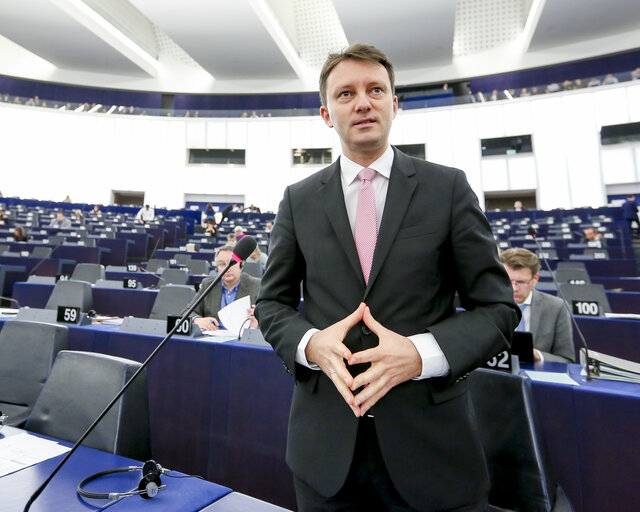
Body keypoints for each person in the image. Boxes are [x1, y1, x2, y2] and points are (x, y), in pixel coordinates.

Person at [255, 43, 518, 511]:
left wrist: (420, 354)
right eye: (346, 94)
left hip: (432, 450)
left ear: (395, 104)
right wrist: (310, 343)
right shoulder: (297, 200)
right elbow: (272, 304)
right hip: (325, 454)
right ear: (325, 113)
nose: (362, 102)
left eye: (376, 89)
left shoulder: (448, 188)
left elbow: (497, 309)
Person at [500, 248, 575, 363]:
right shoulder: (488, 304)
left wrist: (538, 355)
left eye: (521, 282)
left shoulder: (556, 307)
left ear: (535, 279)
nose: (514, 288)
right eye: (508, 281)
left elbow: (567, 359)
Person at [191, 245, 260, 332]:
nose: (227, 268)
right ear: (217, 268)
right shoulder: (208, 285)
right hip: (213, 339)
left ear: (241, 265)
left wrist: (258, 316)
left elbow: (271, 316)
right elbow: (188, 312)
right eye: (222, 264)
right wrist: (197, 320)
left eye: (232, 263)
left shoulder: (256, 285)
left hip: (243, 340)